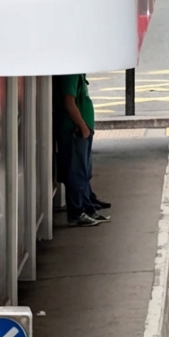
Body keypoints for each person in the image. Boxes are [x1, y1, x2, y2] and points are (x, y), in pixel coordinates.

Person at [53, 74, 110, 227]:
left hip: (81, 131)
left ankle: (88, 208)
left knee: (84, 173)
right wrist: (83, 127)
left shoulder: (77, 73)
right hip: (74, 131)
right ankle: (77, 213)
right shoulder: (70, 73)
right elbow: (69, 102)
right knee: (76, 174)